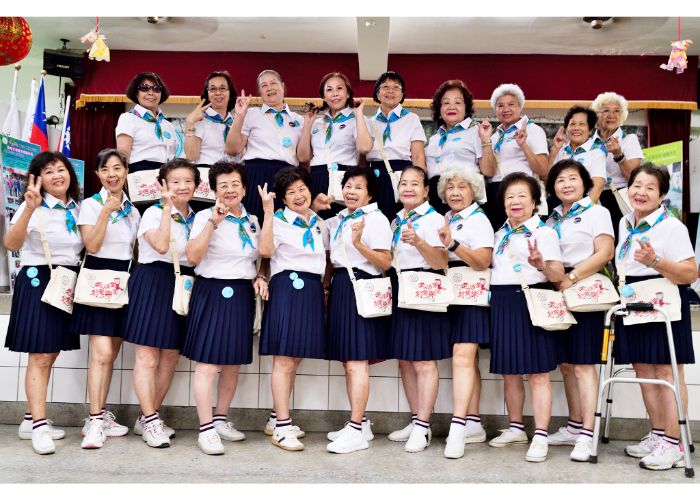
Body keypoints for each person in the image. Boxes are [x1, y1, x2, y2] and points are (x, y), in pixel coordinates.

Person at [182, 161, 268, 455]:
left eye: (235, 184)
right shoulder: (204, 216)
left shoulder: (253, 220)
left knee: (232, 362)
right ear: (214, 190)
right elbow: (193, 257)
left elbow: (261, 256)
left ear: (244, 189)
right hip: (212, 291)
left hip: (242, 293)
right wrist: (213, 223)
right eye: (223, 185)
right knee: (207, 363)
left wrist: (260, 275)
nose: (230, 190)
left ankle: (220, 419)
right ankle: (205, 429)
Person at [614, 164, 696, 470]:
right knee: (645, 371)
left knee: (666, 373)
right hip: (635, 300)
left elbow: (690, 273)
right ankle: (659, 434)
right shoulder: (625, 223)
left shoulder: (672, 227)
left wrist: (656, 260)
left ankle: (674, 444)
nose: (641, 192)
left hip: (665, 301)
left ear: (661, 195)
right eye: (637, 185)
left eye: (650, 187)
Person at [4, 151, 83, 455]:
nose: (57, 175)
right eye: (48, 172)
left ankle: (29, 420)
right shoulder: (32, 205)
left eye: (61, 169)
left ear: (70, 174)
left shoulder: (78, 208)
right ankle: (38, 426)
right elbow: (11, 244)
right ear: (38, 179)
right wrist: (28, 208)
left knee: (50, 352)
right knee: (39, 355)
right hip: (38, 280)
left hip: (66, 281)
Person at [122, 159, 199, 448]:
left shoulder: (197, 217)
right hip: (153, 281)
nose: (182, 186)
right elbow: (162, 245)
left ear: (196, 185)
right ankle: (152, 421)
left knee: (170, 357)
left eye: (188, 181)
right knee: (147, 357)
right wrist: (167, 208)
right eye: (175, 181)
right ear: (163, 185)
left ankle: (147, 417)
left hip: (182, 285)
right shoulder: (153, 213)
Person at [487, 172, 564, 463]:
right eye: (510, 196)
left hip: (531, 300)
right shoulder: (499, 234)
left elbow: (558, 275)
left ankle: (541, 435)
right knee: (509, 371)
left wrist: (541, 265)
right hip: (502, 302)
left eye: (522, 196)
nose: (515, 201)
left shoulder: (544, 233)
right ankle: (516, 428)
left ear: (534, 202)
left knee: (538, 373)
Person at [543, 160, 614, 462]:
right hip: (557, 292)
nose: (566, 184)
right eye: (560, 180)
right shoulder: (549, 220)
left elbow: (605, 252)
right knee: (566, 364)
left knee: (584, 365)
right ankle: (574, 426)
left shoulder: (597, 212)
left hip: (585, 289)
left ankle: (588, 432)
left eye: (572, 178)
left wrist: (571, 278)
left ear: (585, 183)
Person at [72, 149, 140, 449]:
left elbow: (134, 251)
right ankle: (95, 420)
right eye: (105, 169)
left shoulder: (133, 211)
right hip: (98, 281)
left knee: (110, 354)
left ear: (126, 171)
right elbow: (92, 245)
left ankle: (100, 415)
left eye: (117, 168)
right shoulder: (90, 205)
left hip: (123, 284)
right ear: (97, 174)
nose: (112, 174)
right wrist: (105, 212)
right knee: (100, 354)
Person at [323, 166, 392, 453]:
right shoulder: (341, 218)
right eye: (348, 185)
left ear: (370, 194)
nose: (351, 191)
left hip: (361, 287)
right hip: (341, 286)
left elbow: (386, 262)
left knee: (357, 362)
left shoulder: (376, 219)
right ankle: (359, 424)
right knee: (348, 362)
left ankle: (355, 429)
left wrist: (358, 244)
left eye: (358, 187)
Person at [257, 167, 326, 451]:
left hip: (311, 289)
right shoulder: (278, 220)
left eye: (302, 189)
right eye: (291, 192)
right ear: (283, 198)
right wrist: (268, 213)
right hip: (288, 287)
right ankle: (283, 428)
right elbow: (265, 251)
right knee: (284, 360)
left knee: (295, 357)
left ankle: (276, 418)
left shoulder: (319, 222)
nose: (298, 195)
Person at [386, 166, 450, 453]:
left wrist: (419, 241)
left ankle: (423, 426)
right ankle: (416, 421)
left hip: (424, 288)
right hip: (400, 287)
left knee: (424, 362)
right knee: (405, 359)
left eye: (415, 184)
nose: (408, 188)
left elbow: (440, 261)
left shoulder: (434, 218)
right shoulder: (397, 219)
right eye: (403, 184)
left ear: (426, 191)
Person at [434, 168, 494, 459]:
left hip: (471, 292)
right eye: (450, 187)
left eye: (462, 187)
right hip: (449, 292)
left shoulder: (478, 219)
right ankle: (473, 422)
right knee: (465, 361)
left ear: (474, 191)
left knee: (462, 357)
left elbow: (483, 261)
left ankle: (457, 427)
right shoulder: (446, 218)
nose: (455, 192)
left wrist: (453, 244)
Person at [225, 70, 304, 221]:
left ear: (282, 86)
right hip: (255, 174)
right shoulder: (251, 114)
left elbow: (304, 158)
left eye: (273, 83)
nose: (269, 88)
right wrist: (239, 116)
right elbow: (232, 149)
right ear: (260, 92)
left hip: (286, 178)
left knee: (281, 224)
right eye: (264, 85)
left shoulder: (299, 120)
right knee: (253, 221)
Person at [297, 72, 373, 220]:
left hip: (344, 179)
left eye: (339, 88)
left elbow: (364, 148)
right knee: (317, 224)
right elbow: (303, 157)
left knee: (342, 224)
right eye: (329, 90)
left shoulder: (358, 119)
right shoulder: (317, 122)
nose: (335, 94)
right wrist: (307, 124)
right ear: (323, 96)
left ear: (348, 93)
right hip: (317, 177)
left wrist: (358, 114)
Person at [483, 84, 548, 230]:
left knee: (524, 234)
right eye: (500, 105)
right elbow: (489, 172)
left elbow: (543, 169)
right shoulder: (494, 136)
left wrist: (523, 145)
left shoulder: (533, 130)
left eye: (511, 104)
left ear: (520, 106)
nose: (505, 109)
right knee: (499, 235)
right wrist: (486, 140)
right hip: (496, 192)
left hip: (522, 190)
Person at [425, 80, 495, 214]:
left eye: (457, 102)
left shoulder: (476, 131)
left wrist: (485, 139)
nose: (451, 107)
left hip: (465, 199)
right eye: (446, 103)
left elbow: (489, 171)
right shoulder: (435, 138)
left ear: (466, 108)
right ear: (439, 109)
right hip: (436, 200)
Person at [365, 71, 427, 220]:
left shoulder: (412, 119)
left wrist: (421, 186)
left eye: (396, 87)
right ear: (377, 93)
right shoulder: (368, 122)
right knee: (374, 221)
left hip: (402, 177)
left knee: (400, 219)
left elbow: (418, 156)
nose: (390, 91)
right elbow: (362, 157)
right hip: (374, 177)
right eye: (385, 87)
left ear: (402, 94)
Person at [591, 92, 644, 237]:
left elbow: (633, 178)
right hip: (591, 197)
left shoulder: (629, 140)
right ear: (596, 115)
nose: (611, 115)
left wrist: (619, 156)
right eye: (606, 110)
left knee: (620, 239)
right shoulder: (587, 143)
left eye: (616, 111)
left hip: (618, 196)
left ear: (622, 115)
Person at [116, 72, 180, 173]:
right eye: (144, 88)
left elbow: (174, 156)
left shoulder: (168, 125)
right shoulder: (128, 118)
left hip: (168, 174)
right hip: (140, 175)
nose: (151, 92)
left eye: (156, 88)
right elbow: (123, 155)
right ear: (136, 93)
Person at [548, 106, 607, 204]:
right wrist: (554, 150)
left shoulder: (597, 152)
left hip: (584, 204)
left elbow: (597, 187)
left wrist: (582, 210)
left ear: (590, 130)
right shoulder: (560, 149)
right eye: (572, 124)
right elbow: (548, 179)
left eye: (581, 124)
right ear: (566, 128)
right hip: (558, 204)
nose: (576, 128)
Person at [184, 71, 238, 166]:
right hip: (206, 171)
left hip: (232, 172)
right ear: (208, 95)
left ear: (230, 94)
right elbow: (191, 157)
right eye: (213, 89)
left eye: (222, 88)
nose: (218, 93)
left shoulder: (236, 122)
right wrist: (190, 123)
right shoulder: (199, 120)